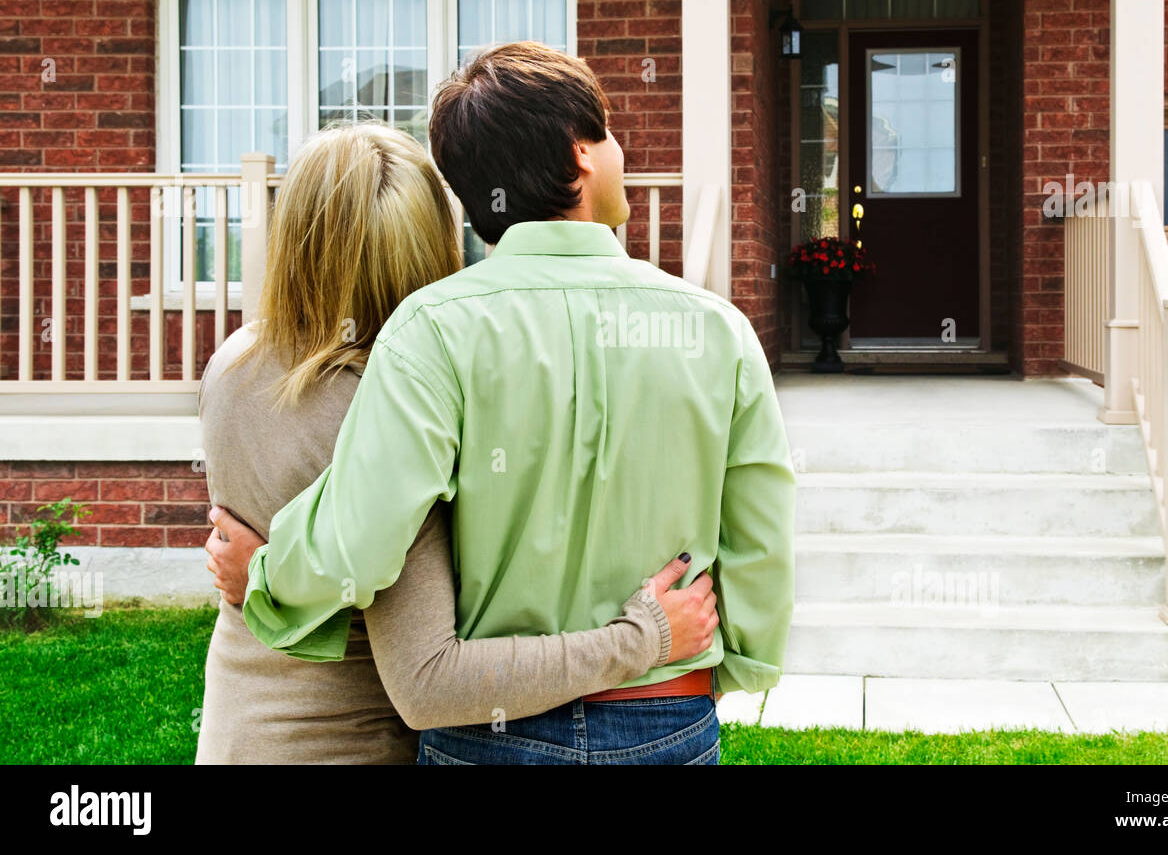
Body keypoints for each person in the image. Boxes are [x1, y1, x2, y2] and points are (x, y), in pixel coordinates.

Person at [232, 41, 797, 766]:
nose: (620, 150)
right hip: (666, 712)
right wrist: (728, 666)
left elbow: (360, 539)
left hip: (488, 734)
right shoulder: (716, 331)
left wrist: (268, 576)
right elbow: (761, 540)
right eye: (611, 132)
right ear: (582, 153)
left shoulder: (431, 329)